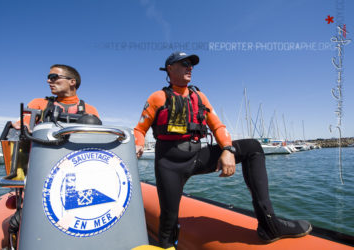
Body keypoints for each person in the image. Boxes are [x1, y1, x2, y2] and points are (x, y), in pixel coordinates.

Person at [134, 52, 312, 248]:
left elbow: (217, 126)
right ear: (169, 68)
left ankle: (269, 224)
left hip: (195, 157)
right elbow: (139, 129)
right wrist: (138, 143)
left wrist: (228, 149)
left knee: (252, 147)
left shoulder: (199, 97)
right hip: (168, 164)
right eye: (184, 63)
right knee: (168, 221)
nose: (190, 67)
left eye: (191, 64)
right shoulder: (157, 97)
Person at [13, 64, 99, 129]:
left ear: (72, 82)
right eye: (49, 78)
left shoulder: (90, 110)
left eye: (53, 77)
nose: (48, 81)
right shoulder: (38, 103)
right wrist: (21, 126)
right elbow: (24, 123)